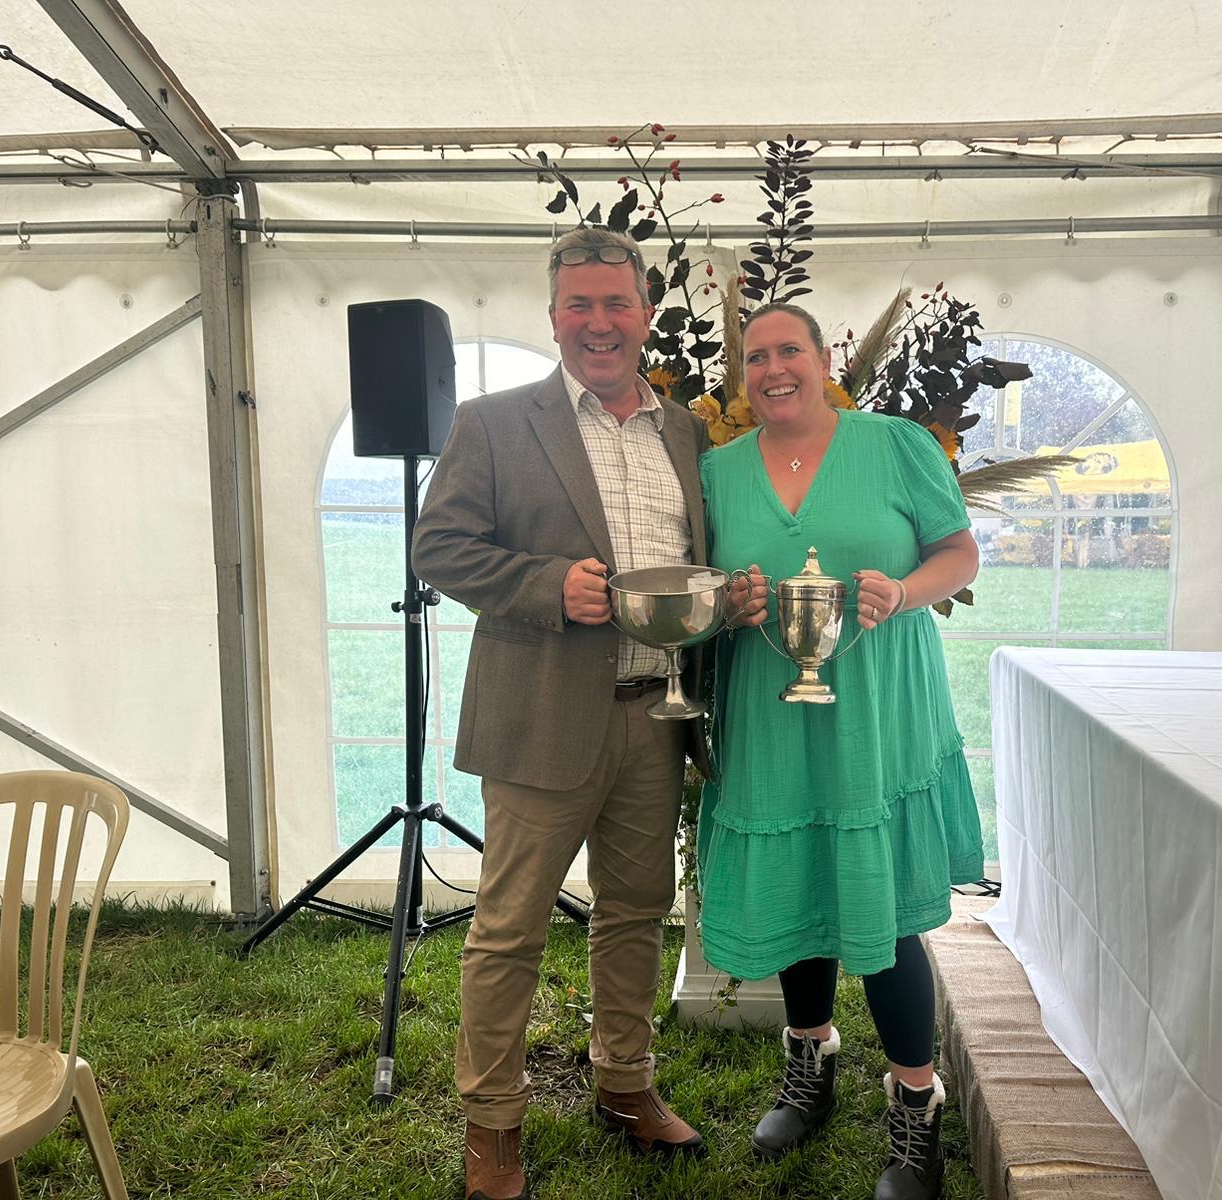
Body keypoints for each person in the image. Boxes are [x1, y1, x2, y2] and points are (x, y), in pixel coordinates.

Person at [413, 226, 712, 1200]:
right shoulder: (494, 424)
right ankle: (491, 1125)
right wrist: (547, 585)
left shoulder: (686, 433)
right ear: (552, 318)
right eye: (577, 305)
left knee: (635, 914)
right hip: (542, 718)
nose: (597, 322)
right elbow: (441, 549)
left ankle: (624, 1083)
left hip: (655, 717)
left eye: (614, 303)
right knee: (510, 930)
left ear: (645, 314)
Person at [699, 302, 985, 1200]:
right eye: (756, 357)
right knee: (799, 884)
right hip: (772, 712)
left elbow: (961, 552)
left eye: (790, 351)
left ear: (825, 361)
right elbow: (702, 584)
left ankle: (916, 1104)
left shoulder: (897, 444)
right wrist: (730, 605)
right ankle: (810, 1063)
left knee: (887, 908)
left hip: (877, 710)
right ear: (742, 376)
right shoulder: (715, 470)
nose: (773, 369)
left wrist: (901, 591)